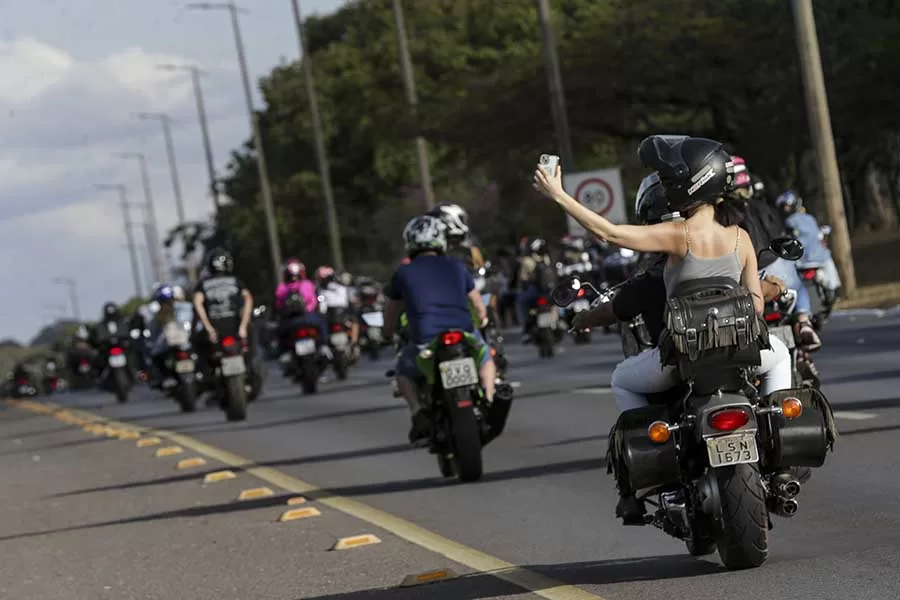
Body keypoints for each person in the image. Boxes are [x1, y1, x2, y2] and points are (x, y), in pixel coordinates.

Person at [533, 135, 792, 411]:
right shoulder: (741, 238)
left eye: (670, 183)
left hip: (682, 358)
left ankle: (653, 441)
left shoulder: (678, 235)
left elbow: (610, 232)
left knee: (621, 378)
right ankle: (774, 418)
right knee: (782, 355)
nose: (667, 191)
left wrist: (559, 195)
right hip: (741, 351)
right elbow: (756, 307)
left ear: (691, 186)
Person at [382, 215, 496, 442]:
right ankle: (490, 399)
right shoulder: (457, 267)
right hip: (463, 333)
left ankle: (417, 412)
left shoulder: (402, 274)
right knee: (486, 359)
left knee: (404, 374)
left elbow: (391, 313)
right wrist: (482, 319)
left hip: (425, 338)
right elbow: (478, 305)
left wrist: (387, 333)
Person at [731, 158, 821, 350]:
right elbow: (780, 235)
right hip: (771, 265)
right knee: (798, 286)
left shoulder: (718, 215)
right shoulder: (760, 207)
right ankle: (804, 321)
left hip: (738, 274)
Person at [776, 190, 842, 297]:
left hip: (799, 262)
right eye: (784, 207)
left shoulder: (786, 222)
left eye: (787, 206)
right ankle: (835, 289)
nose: (785, 209)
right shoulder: (809, 218)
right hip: (818, 259)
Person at [193, 248, 254, 347]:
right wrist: (243, 327)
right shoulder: (235, 281)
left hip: (214, 331)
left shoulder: (203, 285)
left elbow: (197, 303)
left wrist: (209, 329)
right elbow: (248, 298)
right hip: (237, 329)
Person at [274, 258, 328, 348]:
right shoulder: (308, 284)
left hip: (290, 321)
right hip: (308, 318)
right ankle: (325, 346)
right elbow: (313, 302)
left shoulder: (281, 288)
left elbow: (279, 306)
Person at [515, 236, 555, 341]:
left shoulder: (527, 261)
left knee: (521, 302)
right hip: (549, 292)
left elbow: (523, 278)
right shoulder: (547, 258)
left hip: (535, 292)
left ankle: (526, 328)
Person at [316, 265, 360, 357]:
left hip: (338, 317)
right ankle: (354, 343)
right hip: (339, 317)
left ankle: (353, 343)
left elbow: (321, 307)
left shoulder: (323, 291)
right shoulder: (339, 288)